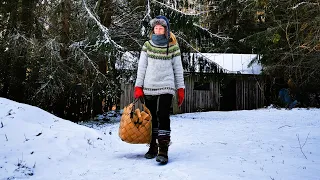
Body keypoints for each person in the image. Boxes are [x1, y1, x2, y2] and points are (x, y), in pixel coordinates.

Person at [134, 15, 185, 164]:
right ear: (153, 30)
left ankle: (163, 149)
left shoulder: (173, 47)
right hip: (149, 86)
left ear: (166, 30)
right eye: (156, 28)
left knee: (163, 115)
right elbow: (142, 67)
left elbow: (178, 69)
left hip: (167, 85)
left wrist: (180, 88)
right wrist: (138, 86)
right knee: (151, 118)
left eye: (160, 28)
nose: (158, 30)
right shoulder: (147, 45)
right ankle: (152, 147)